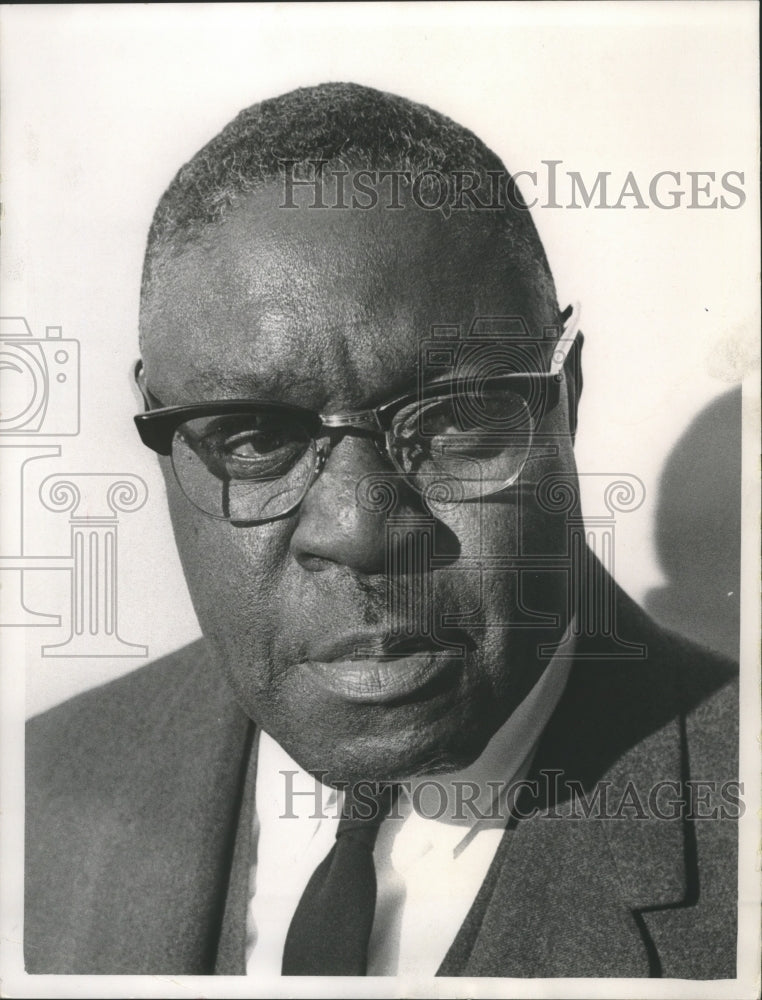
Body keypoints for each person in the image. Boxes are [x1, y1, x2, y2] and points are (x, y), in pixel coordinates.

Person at [25, 82, 738, 980]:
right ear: (164, 435)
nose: (362, 530)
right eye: (256, 438)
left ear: (565, 400)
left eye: (450, 419)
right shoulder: (38, 792)